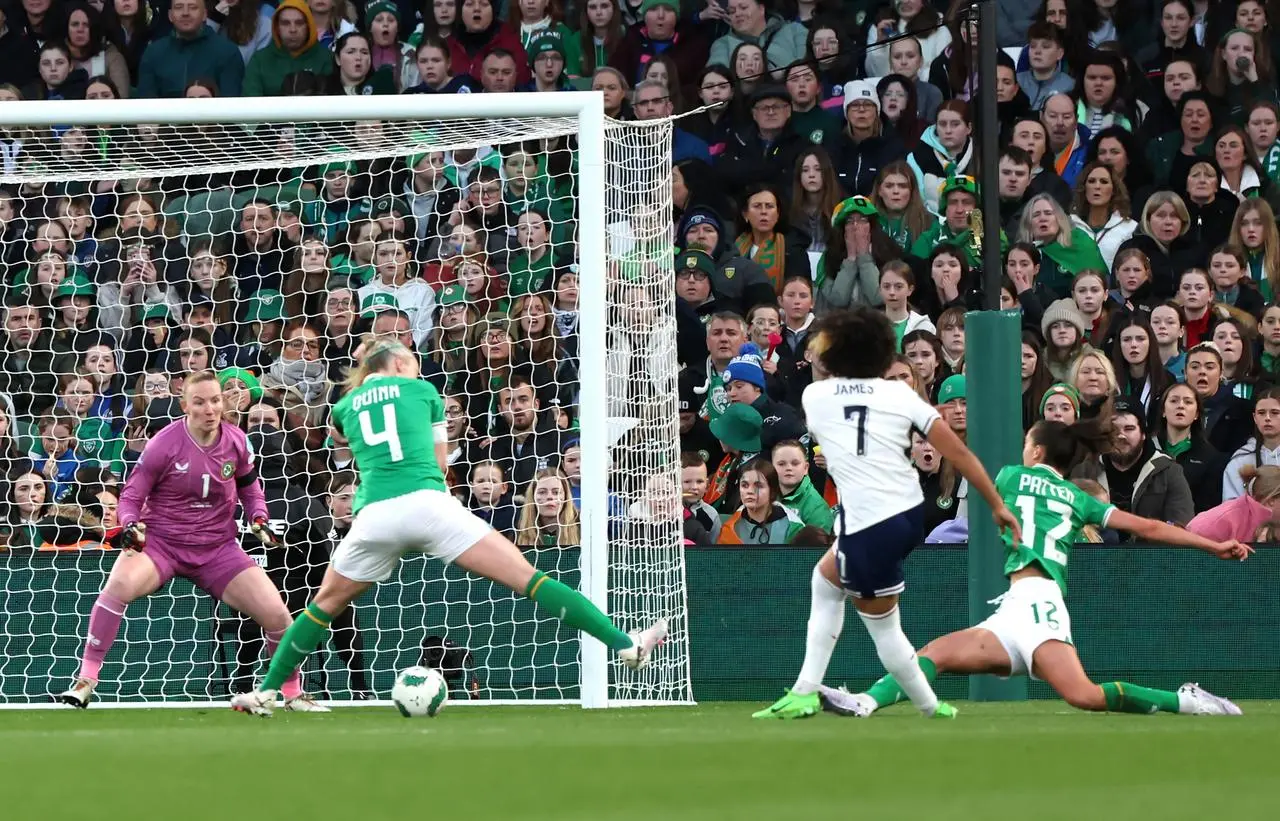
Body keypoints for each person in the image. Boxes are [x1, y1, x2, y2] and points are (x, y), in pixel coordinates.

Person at [230, 339, 667, 716]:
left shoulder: (343, 406)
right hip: (427, 505)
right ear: (401, 364)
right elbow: (440, 464)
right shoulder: (423, 391)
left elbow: (352, 435)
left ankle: (268, 691)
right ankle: (625, 645)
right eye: (412, 362)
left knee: (322, 607)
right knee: (529, 578)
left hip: (374, 516)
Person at [818, 418, 1250, 719]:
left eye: (1028, 441)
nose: (1023, 447)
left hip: (1037, 605)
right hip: (1023, 607)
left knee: (1085, 695)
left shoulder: (1008, 476)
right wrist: (1212, 546)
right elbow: (1151, 527)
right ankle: (865, 704)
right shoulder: (1080, 498)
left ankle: (1188, 701)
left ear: (1037, 450)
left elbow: (965, 462)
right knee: (937, 654)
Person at [752, 307, 1019, 721]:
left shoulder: (814, 396)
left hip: (867, 524)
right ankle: (809, 689)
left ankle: (931, 708)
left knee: (885, 629)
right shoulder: (901, 395)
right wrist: (997, 505)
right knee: (824, 582)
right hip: (907, 515)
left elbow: (828, 382)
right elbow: (961, 453)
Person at [58, 371, 321, 711]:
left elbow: (250, 489)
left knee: (279, 618)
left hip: (217, 549)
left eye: (215, 400)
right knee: (118, 586)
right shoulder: (163, 444)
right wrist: (130, 524)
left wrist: (258, 519)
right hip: (162, 544)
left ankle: (291, 693)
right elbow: (131, 495)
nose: (210, 409)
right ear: (185, 406)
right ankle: (86, 680)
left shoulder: (238, 441)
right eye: (200, 402)